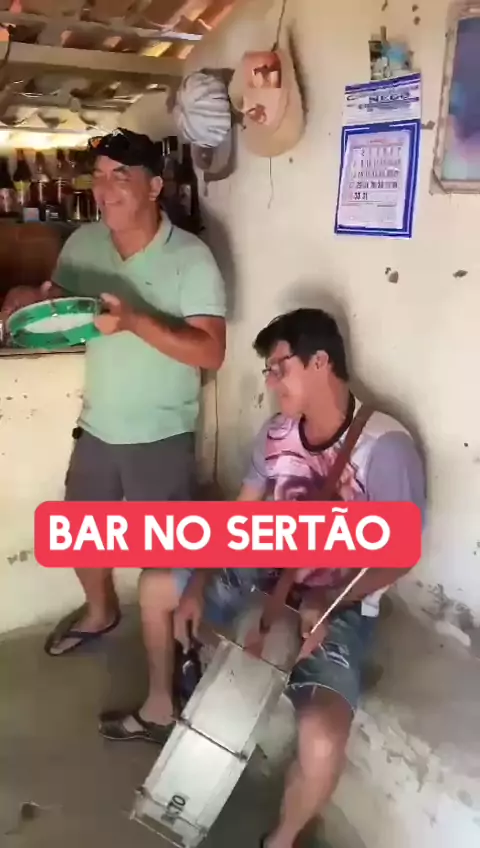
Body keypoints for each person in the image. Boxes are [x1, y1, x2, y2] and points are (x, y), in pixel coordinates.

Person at [99, 307, 425, 848]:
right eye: (268, 371)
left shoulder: (384, 446)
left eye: (280, 368)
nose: (271, 383)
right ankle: (159, 708)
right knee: (159, 586)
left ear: (320, 362)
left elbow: (400, 551)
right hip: (259, 568)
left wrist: (328, 598)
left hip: (337, 600)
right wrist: (200, 582)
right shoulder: (276, 433)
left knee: (322, 737)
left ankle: (282, 839)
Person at [2, 129, 226, 656]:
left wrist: (133, 321)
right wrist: (28, 301)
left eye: (119, 177)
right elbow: (60, 307)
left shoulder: (191, 257)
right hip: (99, 424)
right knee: (80, 534)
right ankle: (101, 612)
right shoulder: (83, 244)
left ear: (154, 187)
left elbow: (210, 352)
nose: (103, 190)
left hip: (162, 430)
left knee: (164, 559)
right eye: (98, 177)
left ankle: (176, 654)